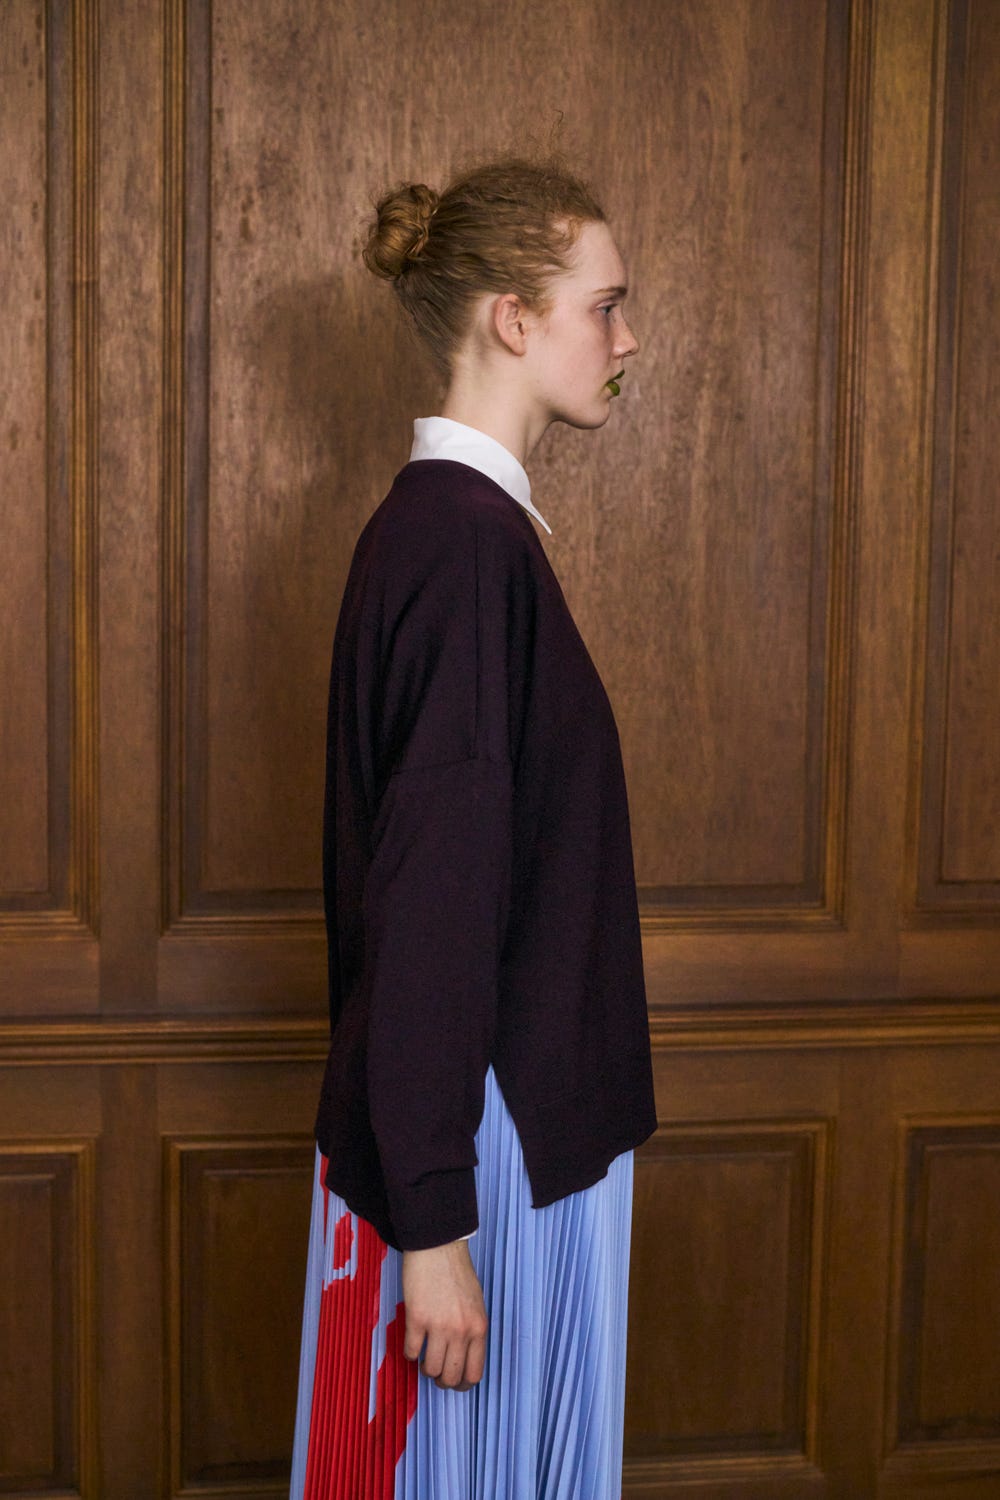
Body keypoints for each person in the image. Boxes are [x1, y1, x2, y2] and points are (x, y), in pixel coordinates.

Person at [290, 153, 657, 1500]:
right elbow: (432, 900)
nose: (626, 341)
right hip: (485, 1142)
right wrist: (437, 1227)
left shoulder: (459, 534)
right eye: (603, 307)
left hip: (492, 1124)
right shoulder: (462, 549)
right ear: (513, 316)